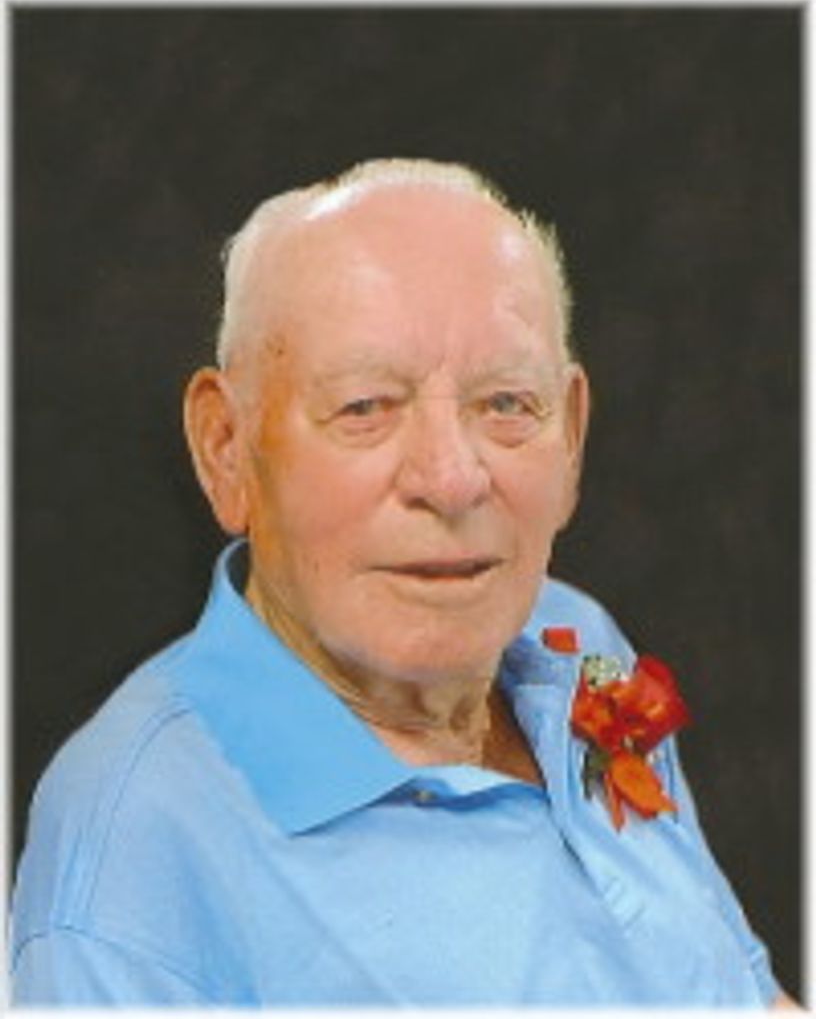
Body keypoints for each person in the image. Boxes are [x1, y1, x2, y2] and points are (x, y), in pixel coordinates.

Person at [10, 158, 794, 1007]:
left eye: (506, 403)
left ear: (570, 436)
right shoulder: (138, 846)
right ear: (226, 449)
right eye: (365, 407)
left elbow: (739, 990)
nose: (452, 479)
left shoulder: (577, 643)